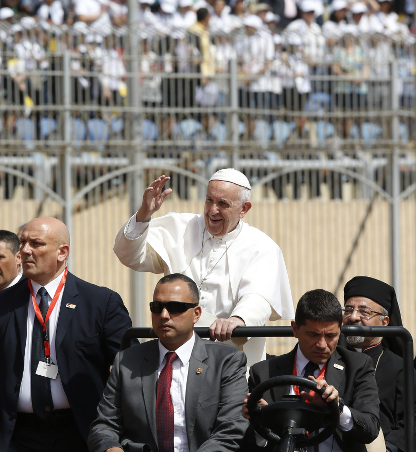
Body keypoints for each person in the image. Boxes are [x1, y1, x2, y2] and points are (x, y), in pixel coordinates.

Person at [114, 169, 294, 366]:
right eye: (209, 200)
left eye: (223, 204)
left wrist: (238, 320)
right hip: (177, 353)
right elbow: (129, 256)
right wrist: (144, 214)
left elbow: (259, 297)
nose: (212, 210)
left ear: (244, 209)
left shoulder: (261, 246)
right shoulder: (180, 226)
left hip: (230, 355)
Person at [0, 217, 132, 452]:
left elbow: (130, 370)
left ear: (62, 252)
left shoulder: (100, 303)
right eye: (22, 242)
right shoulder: (4, 304)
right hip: (16, 435)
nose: (24, 250)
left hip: (81, 432)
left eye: (36, 243)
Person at [88, 273, 249, 452]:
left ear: (196, 314)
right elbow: (104, 426)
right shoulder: (126, 361)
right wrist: (110, 447)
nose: (164, 315)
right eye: (157, 307)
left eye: (174, 307)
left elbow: (231, 430)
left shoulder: (226, 361)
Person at [242, 289, 381, 452]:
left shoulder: (357, 365)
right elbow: (248, 445)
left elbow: (370, 429)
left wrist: (337, 407)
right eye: (313, 335)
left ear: (340, 329)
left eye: (330, 336)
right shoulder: (263, 372)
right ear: (295, 329)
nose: (322, 344)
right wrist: (264, 421)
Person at [343, 276, 414, 452]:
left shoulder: (400, 367)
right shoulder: (327, 357)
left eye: (364, 312)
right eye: (348, 310)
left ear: (385, 322)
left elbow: (410, 420)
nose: (353, 317)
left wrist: (387, 448)